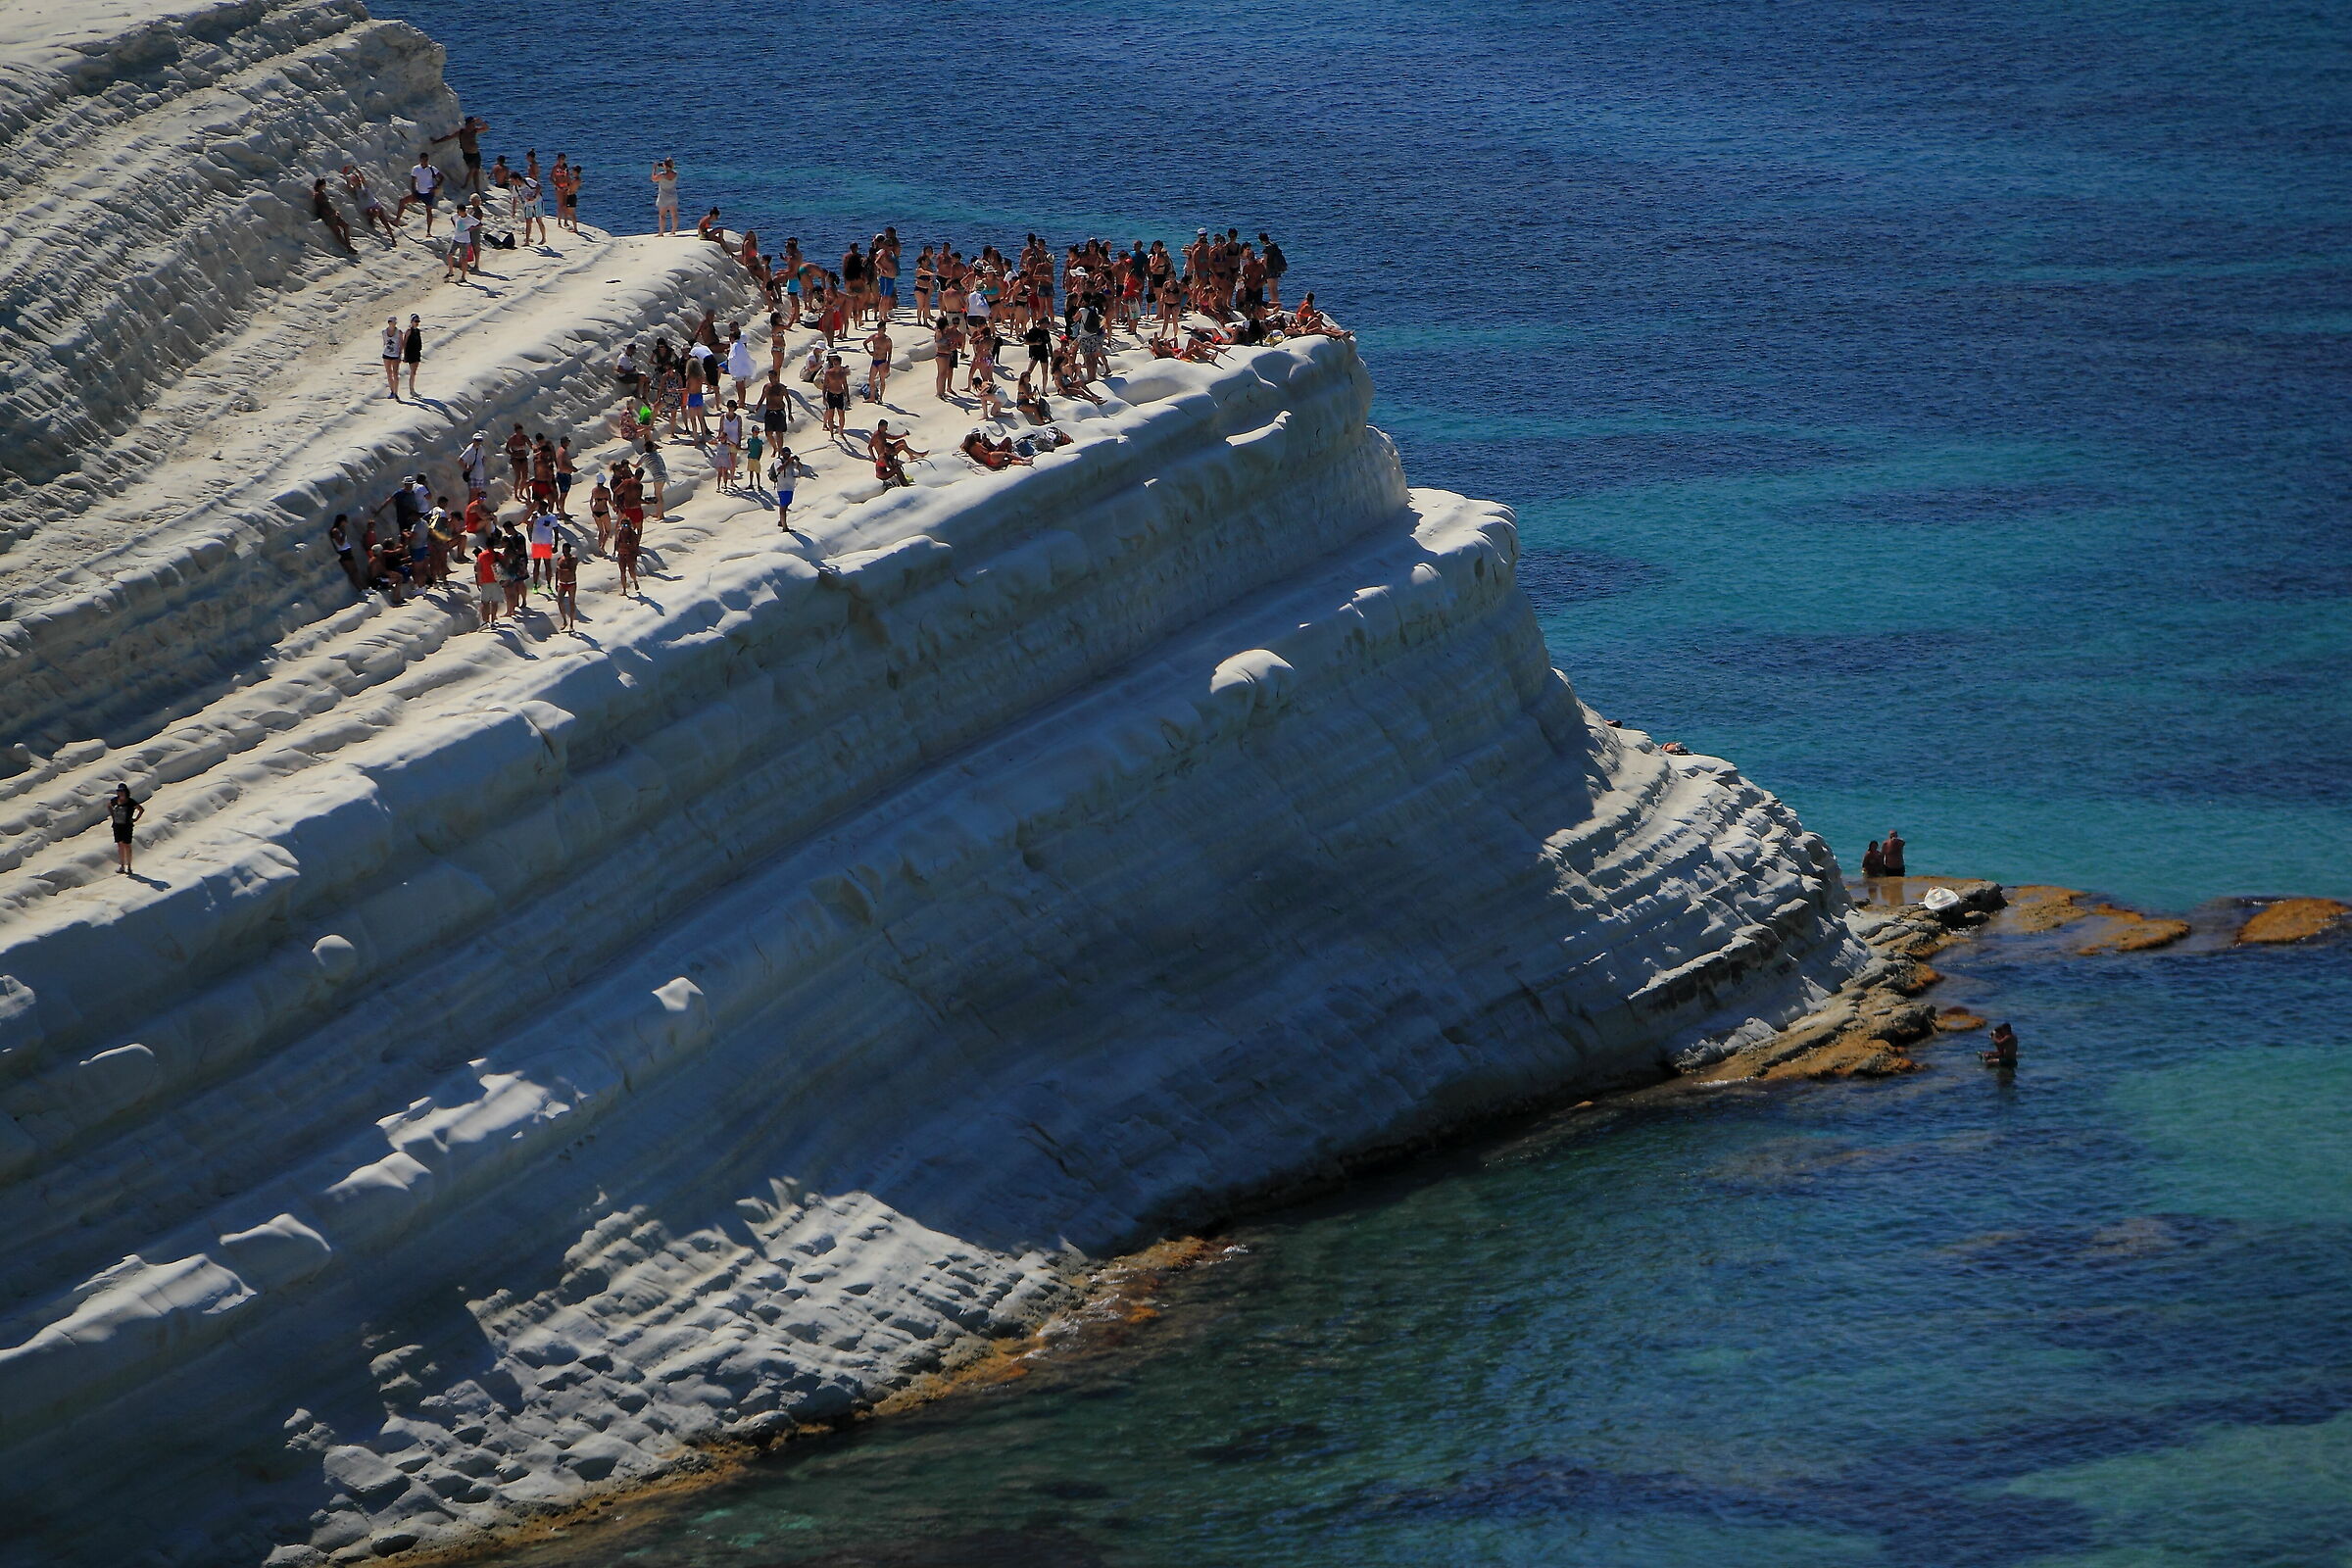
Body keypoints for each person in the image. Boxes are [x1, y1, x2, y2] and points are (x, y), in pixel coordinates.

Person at [432, 114, 489, 193]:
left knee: (476, 172)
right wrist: (437, 141)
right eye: (472, 124)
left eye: (474, 124)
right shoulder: (461, 132)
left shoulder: (474, 131)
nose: (473, 126)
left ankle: (477, 190)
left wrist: (480, 122)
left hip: (476, 154)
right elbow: (449, 137)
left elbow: (486, 128)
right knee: (472, 169)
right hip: (468, 154)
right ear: (468, 124)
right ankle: (465, 184)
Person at [342, 164, 398, 238]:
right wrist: (345, 176)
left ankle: (392, 237)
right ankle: (372, 221)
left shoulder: (364, 185)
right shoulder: (355, 190)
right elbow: (348, 186)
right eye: (354, 181)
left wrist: (354, 168)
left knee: (384, 221)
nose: (356, 181)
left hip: (376, 204)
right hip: (369, 208)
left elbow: (361, 176)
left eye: (357, 180)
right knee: (373, 212)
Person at [868, 419, 926, 488]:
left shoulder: (883, 433)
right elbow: (869, 447)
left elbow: (892, 437)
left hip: (887, 452)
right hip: (885, 456)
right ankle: (906, 485)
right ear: (880, 427)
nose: (886, 429)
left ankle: (912, 456)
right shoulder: (876, 436)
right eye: (885, 427)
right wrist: (874, 458)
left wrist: (903, 435)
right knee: (901, 449)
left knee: (902, 442)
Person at [400, 150, 441, 234]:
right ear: (420, 160)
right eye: (423, 159)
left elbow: (442, 177)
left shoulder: (432, 169)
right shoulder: (416, 169)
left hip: (428, 194)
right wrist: (414, 192)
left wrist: (436, 187)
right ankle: (397, 220)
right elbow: (413, 181)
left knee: (429, 211)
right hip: (419, 192)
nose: (425, 161)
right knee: (402, 201)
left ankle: (428, 231)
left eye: (426, 160)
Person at [107, 784, 145, 875]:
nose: (120, 793)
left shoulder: (130, 802)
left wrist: (135, 819)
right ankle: (122, 866)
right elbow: (108, 805)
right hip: (117, 825)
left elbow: (141, 810)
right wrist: (113, 816)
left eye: (121, 791)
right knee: (120, 845)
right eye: (118, 791)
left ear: (125, 791)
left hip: (127, 826)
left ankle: (129, 866)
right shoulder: (115, 800)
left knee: (127, 845)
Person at [310, 177, 353, 248]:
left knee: (346, 226)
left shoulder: (322, 193)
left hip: (331, 214)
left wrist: (334, 211)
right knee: (337, 232)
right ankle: (348, 247)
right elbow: (322, 208)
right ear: (321, 185)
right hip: (327, 216)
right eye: (324, 185)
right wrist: (332, 213)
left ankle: (348, 244)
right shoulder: (318, 195)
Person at [471, 539, 502, 628]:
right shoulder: (498, 555)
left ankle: (485, 621)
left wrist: (479, 581)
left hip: (485, 582)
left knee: (485, 603)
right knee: (494, 602)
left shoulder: (481, 556)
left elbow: (479, 569)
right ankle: (493, 621)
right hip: (496, 581)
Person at [328, 513, 361, 591]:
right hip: (343, 552)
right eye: (345, 521)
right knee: (352, 571)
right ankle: (359, 588)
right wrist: (343, 533)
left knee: (355, 570)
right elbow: (340, 543)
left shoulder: (340, 530)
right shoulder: (335, 530)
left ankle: (361, 586)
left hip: (347, 550)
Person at [773, 446, 801, 532]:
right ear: (782, 453)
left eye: (789, 454)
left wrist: (797, 461)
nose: (788, 455)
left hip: (790, 487)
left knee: (787, 503)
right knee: (783, 506)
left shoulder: (790, 462)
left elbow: (800, 468)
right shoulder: (778, 461)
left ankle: (782, 521)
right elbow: (779, 469)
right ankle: (785, 527)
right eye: (786, 453)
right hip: (783, 487)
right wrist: (788, 461)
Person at [863, 323, 893, 402]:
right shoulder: (874, 337)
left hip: (882, 361)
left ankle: (880, 398)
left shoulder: (887, 339)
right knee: (871, 379)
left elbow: (889, 353)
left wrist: (888, 364)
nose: (884, 330)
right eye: (883, 329)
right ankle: (872, 397)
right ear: (879, 329)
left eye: (885, 329)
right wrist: (869, 352)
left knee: (882, 379)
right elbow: (865, 342)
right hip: (875, 360)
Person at [554, 540, 579, 632]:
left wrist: (561, 570)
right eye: (564, 550)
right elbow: (557, 572)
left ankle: (572, 623)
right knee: (559, 601)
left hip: (571, 583)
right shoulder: (560, 559)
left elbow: (571, 570)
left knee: (572, 602)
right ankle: (565, 621)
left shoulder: (573, 559)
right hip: (562, 583)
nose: (565, 552)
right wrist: (556, 583)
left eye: (566, 550)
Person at [650, 158, 679, 235]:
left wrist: (654, 169)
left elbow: (653, 179)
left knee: (662, 215)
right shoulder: (675, 174)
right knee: (674, 214)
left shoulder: (662, 175)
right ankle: (673, 231)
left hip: (664, 196)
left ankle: (661, 232)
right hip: (673, 195)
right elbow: (670, 172)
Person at [401, 314, 423, 397]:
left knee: (414, 372)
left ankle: (412, 389)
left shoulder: (417, 331)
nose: (417, 323)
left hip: (416, 352)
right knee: (412, 371)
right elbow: (404, 343)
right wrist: (404, 355)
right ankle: (411, 390)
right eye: (416, 321)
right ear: (412, 321)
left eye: (418, 321)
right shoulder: (409, 331)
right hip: (410, 353)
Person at [379, 317, 402, 399]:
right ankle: (392, 391)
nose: (394, 324)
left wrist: (400, 354)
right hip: (386, 354)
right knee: (389, 373)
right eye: (392, 322)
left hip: (395, 355)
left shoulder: (399, 332)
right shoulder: (384, 332)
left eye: (395, 322)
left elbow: (401, 344)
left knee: (395, 374)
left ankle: (396, 392)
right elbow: (384, 342)